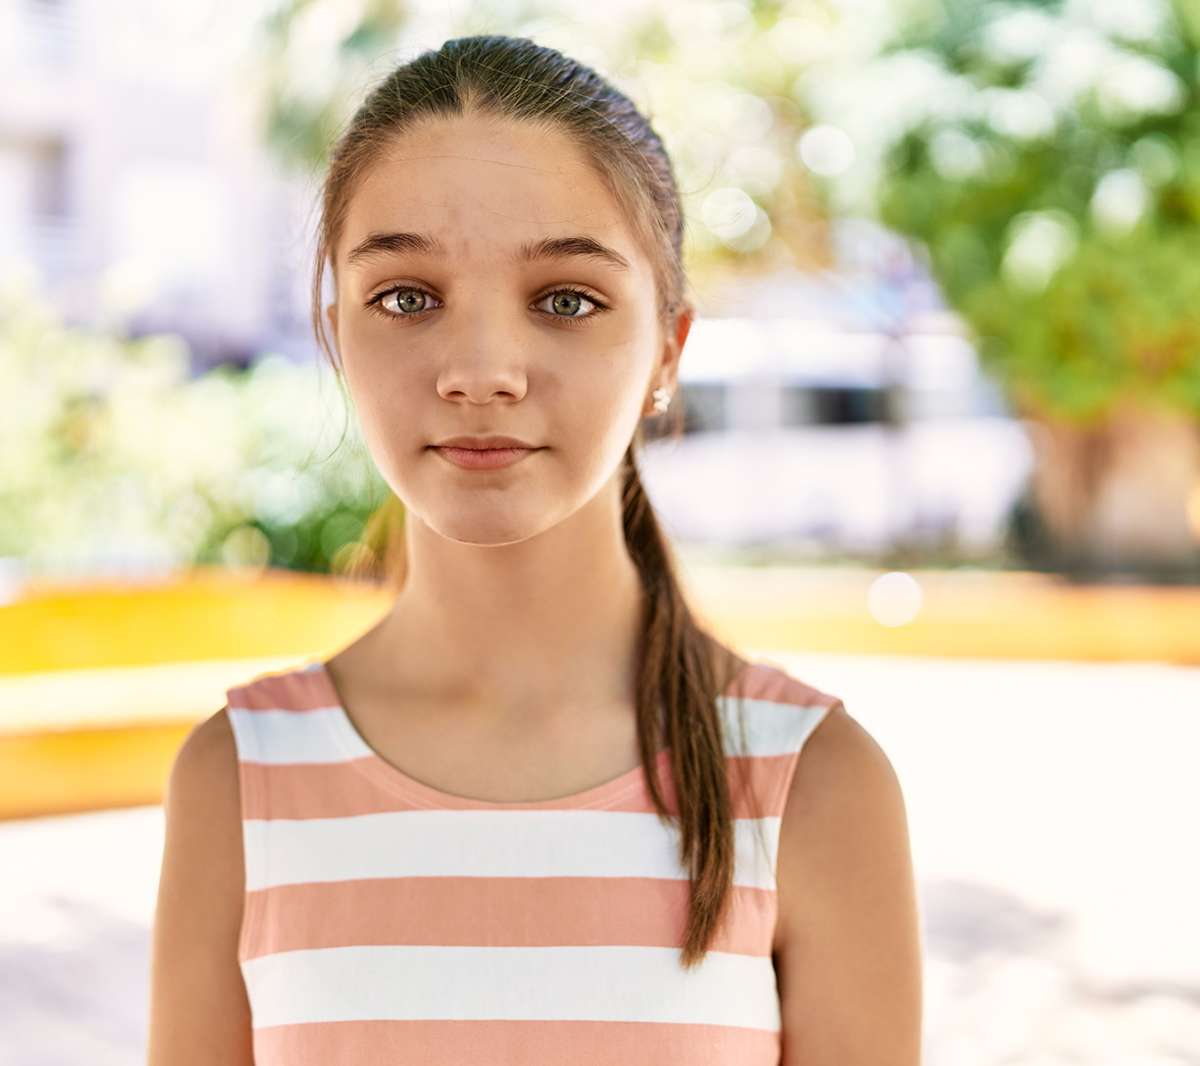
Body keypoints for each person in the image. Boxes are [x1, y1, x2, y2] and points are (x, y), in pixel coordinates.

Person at [146, 34, 922, 1066]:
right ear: (337, 332)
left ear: (667, 352)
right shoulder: (238, 783)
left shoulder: (816, 786)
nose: (479, 370)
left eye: (566, 299)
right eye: (407, 296)